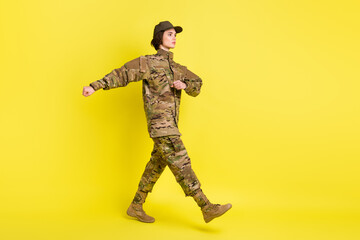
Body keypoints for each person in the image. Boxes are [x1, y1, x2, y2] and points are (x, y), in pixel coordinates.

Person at [82, 21, 232, 223]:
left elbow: (197, 83)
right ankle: (206, 207)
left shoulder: (177, 68)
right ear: (159, 37)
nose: (174, 37)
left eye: (175, 35)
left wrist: (185, 84)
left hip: (171, 125)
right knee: (181, 162)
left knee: (155, 166)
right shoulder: (148, 62)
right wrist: (95, 86)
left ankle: (136, 206)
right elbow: (122, 73)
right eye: (170, 34)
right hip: (160, 126)